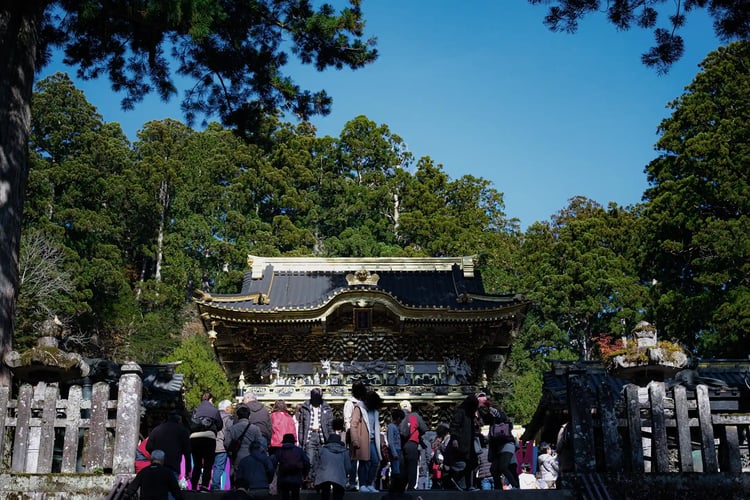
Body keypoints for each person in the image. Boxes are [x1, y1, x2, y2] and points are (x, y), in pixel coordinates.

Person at [297, 387, 334, 486]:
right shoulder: (305, 408)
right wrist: (301, 439)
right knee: (309, 460)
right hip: (309, 436)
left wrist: (331, 438)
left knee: (321, 460)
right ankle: (309, 480)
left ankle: (319, 481)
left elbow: (330, 425)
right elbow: (301, 426)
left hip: (322, 436)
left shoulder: (326, 407)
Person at [189, 392, 223, 492]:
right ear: (210, 399)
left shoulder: (195, 409)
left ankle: (194, 486)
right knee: (208, 463)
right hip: (209, 438)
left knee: (197, 463)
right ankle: (204, 486)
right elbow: (220, 425)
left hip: (194, 438)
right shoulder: (214, 410)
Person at [350, 389, 382, 493]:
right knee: (364, 462)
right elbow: (353, 424)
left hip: (373, 440)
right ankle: (363, 484)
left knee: (375, 461)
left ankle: (369, 483)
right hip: (363, 439)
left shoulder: (374, 411)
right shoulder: (359, 408)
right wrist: (355, 439)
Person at [146, 412, 192, 482]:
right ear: (179, 421)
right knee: (171, 487)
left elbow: (148, 447)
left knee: (158, 487)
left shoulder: (156, 429)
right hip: (174, 464)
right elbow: (187, 452)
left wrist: (156, 455)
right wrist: (188, 470)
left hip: (158, 463)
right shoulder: (182, 430)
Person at [447, 394, 479, 491]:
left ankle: (469, 485)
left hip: (469, 443)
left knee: (470, 464)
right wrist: (455, 438)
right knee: (462, 464)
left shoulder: (470, 414)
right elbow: (454, 426)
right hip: (461, 442)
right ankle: (460, 482)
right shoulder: (461, 412)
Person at [343, 381, 368, 490]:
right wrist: (351, 434)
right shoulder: (350, 403)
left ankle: (363, 483)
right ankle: (352, 482)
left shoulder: (364, 402)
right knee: (353, 459)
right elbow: (347, 420)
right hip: (354, 433)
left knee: (364, 459)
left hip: (364, 434)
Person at [398, 400, 427, 490]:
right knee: (412, 465)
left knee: (402, 466)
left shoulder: (398, 416)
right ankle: (411, 486)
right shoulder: (415, 416)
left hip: (401, 444)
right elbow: (424, 428)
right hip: (412, 443)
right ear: (410, 407)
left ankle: (401, 486)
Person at [224, 405, 263, 472]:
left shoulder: (232, 429)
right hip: (251, 455)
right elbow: (260, 443)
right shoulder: (255, 429)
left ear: (238, 416)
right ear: (249, 416)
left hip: (237, 456)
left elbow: (227, 443)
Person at [273, 433, 310, 500]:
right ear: (293, 442)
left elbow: (273, 463)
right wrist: (305, 474)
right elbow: (307, 462)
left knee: (285, 496)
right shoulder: (299, 450)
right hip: (296, 477)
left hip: (284, 478)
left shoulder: (280, 451)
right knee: (295, 496)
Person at [314, 433, 352, 500]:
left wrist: (314, 475)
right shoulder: (344, 451)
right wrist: (345, 474)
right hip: (339, 477)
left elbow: (316, 464)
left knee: (325, 494)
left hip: (324, 477)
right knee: (338, 495)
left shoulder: (322, 450)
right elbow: (348, 467)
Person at [212, 399, 235, 491]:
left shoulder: (213, 417)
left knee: (213, 466)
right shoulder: (229, 418)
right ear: (227, 408)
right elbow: (229, 433)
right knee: (219, 467)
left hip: (212, 444)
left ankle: (209, 485)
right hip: (222, 446)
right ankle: (215, 486)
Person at [429, 424, 449, 489]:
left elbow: (446, 451)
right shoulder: (444, 440)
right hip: (440, 464)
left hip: (444, 463)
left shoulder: (447, 439)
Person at [386, 409, 404, 479]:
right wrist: (394, 453)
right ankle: (394, 485)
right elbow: (390, 441)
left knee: (397, 468)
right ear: (398, 418)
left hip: (398, 449)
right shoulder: (391, 427)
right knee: (395, 469)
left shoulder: (395, 427)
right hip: (395, 450)